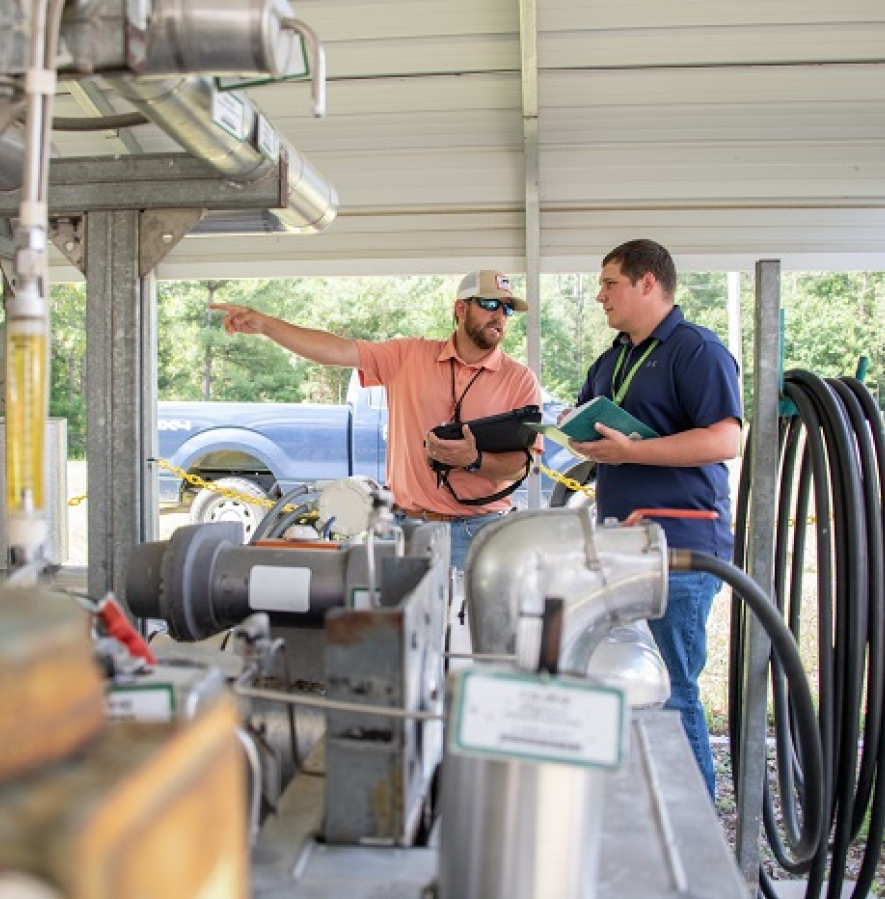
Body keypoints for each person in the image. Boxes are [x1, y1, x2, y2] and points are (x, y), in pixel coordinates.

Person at [209, 270, 542, 570]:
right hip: (407, 530)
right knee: (399, 634)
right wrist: (266, 325)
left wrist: (475, 460)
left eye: (507, 309)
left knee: (471, 637)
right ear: (461, 309)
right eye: (489, 304)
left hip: (480, 533)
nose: (500, 315)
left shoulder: (520, 380)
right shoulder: (408, 356)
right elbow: (336, 350)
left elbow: (522, 466)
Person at [567, 239, 742, 798]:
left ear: (648, 282)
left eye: (609, 283)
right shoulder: (612, 358)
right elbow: (590, 427)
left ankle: (695, 823)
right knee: (628, 677)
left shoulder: (697, 350)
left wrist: (632, 452)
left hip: (681, 549)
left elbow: (724, 438)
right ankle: (644, 801)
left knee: (673, 687)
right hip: (622, 546)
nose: (600, 296)